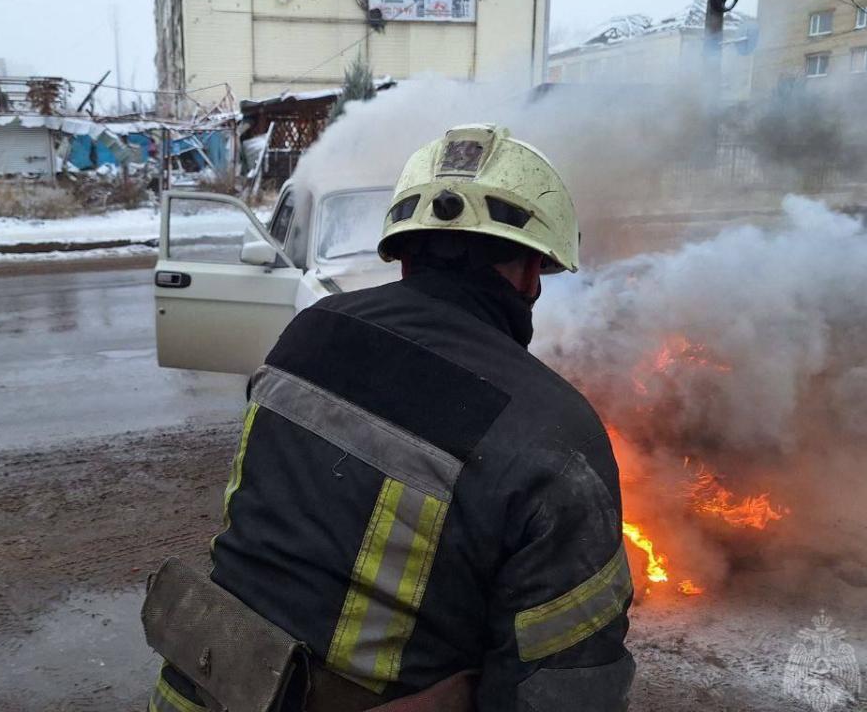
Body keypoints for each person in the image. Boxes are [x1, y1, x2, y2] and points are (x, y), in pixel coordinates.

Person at [143, 124, 634, 712]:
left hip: (197, 691)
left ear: (403, 254)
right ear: (531, 273)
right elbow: (565, 688)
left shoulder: (308, 334)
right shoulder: (553, 431)